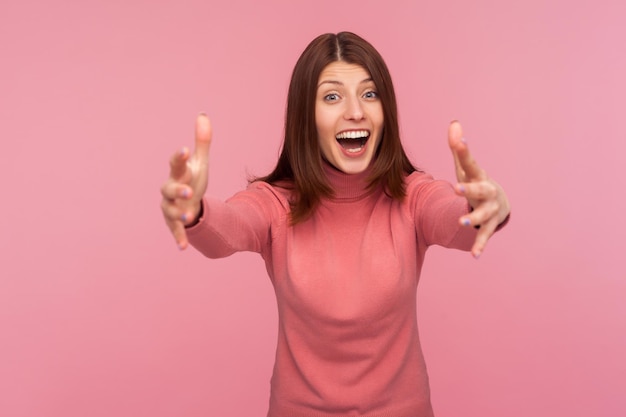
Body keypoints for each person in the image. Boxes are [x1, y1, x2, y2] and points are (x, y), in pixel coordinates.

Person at [161, 32, 510, 417]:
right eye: (332, 96)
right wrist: (193, 210)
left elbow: (453, 217)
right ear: (305, 116)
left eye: (369, 93)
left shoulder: (413, 197)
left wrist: (485, 205)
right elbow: (230, 228)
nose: (355, 111)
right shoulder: (275, 203)